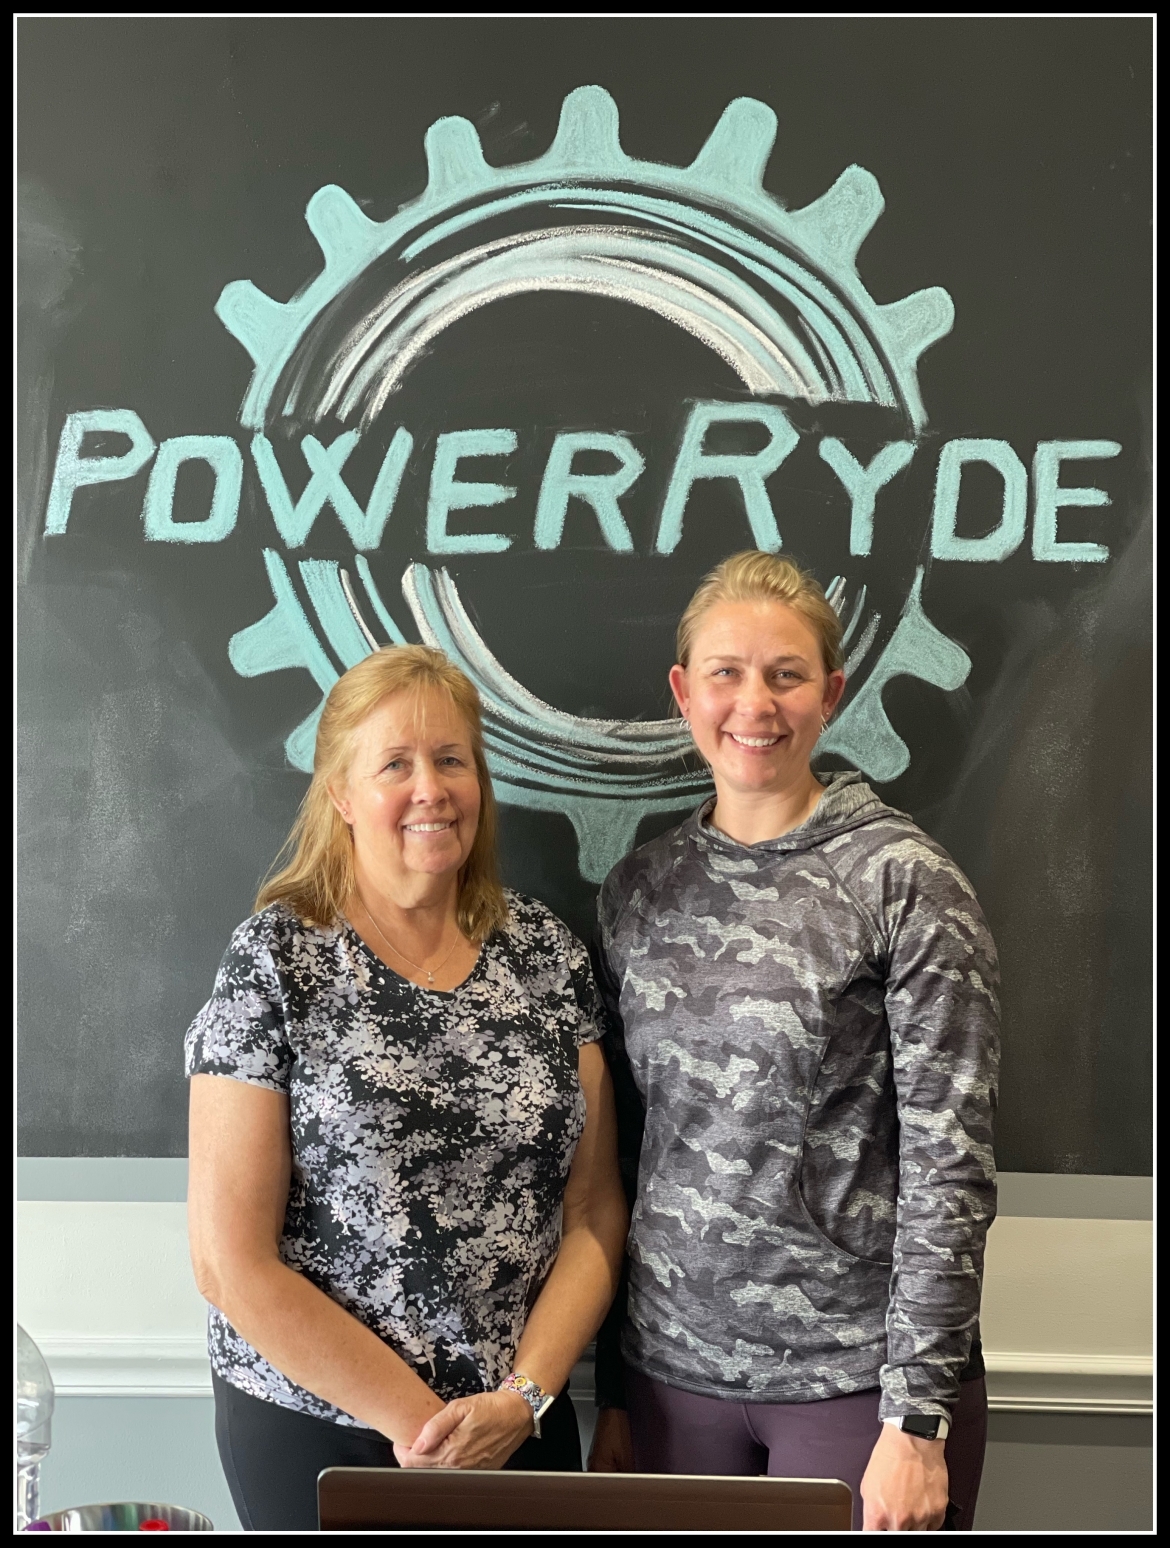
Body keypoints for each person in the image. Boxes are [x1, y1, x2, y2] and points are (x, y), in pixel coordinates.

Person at [588, 552, 999, 1532]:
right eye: (726, 672)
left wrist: (917, 1422)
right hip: (668, 1385)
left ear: (833, 694)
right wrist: (609, 1390)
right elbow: (617, 1159)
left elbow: (955, 1169)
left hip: (854, 1391)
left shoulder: (904, 882)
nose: (754, 703)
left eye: (786, 674)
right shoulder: (637, 895)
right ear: (685, 692)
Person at [186, 645, 627, 1532]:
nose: (431, 788)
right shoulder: (276, 961)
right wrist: (428, 1432)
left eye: (452, 759)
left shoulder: (545, 956)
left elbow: (593, 1212)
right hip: (322, 1433)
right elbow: (229, 1262)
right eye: (396, 763)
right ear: (342, 795)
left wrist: (521, 1401)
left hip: (520, 1430)